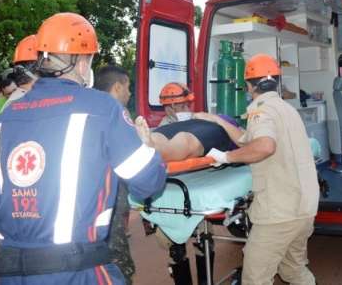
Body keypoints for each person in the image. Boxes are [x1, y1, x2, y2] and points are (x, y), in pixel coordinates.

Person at [0, 12, 167, 285]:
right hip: (76, 271)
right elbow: (148, 182)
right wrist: (148, 148)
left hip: (11, 273)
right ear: (82, 62)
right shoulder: (101, 109)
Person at [199, 54, 319, 285]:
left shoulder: (260, 110)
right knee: (294, 270)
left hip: (279, 214)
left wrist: (225, 157)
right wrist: (220, 122)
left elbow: (265, 145)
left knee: (255, 279)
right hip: (304, 209)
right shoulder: (286, 109)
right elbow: (248, 140)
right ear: (276, 82)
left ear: (249, 85)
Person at [94, 64, 135, 285]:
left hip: (89, 200)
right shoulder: (116, 113)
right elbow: (133, 161)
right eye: (128, 87)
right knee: (117, 258)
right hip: (111, 195)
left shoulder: (86, 107)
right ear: (118, 87)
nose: (129, 93)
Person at [136, 117, 237, 162]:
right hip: (201, 122)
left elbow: (243, 141)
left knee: (185, 139)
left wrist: (213, 118)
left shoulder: (237, 127)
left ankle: (152, 147)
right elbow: (244, 140)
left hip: (218, 126)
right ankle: (148, 144)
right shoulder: (237, 124)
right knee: (159, 135)